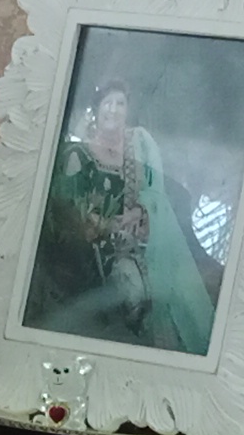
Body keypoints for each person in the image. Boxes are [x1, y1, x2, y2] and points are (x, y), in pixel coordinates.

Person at [33, 82, 223, 354]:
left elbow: (156, 190)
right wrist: (105, 226)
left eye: (120, 103)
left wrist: (140, 212)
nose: (113, 109)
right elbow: (70, 208)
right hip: (98, 245)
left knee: (175, 288)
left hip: (147, 234)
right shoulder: (78, 153)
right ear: (96, 109)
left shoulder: (140, 142)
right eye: (107, 103)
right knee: (129, 286)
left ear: (127, 109)